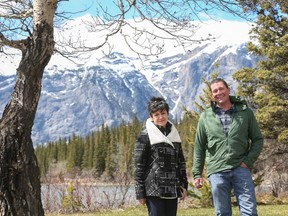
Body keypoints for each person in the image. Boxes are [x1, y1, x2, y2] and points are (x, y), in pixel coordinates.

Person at [193, 78, 263, 216]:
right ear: (212, 95)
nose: (218, 93)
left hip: (241, 168)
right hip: (217, 170)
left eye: (221, 89)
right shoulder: (205, 116)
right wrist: (197, 173)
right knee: (222, 212)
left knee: (250, 211)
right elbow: (199, 146)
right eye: (215, 91)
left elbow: (258, 140)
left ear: (228, 90)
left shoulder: (245, 112)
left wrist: (247, 162)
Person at [134, 96, 188, 216]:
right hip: (153, 189)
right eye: (156, 114)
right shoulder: (145, 135)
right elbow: (139, 166)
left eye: (163, 113)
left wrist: (184, 184)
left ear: (168, 113)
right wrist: (140, 193)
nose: (160, 117)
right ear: (151, 117)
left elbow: (181, 162)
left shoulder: (174, 133)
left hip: (172, 187)